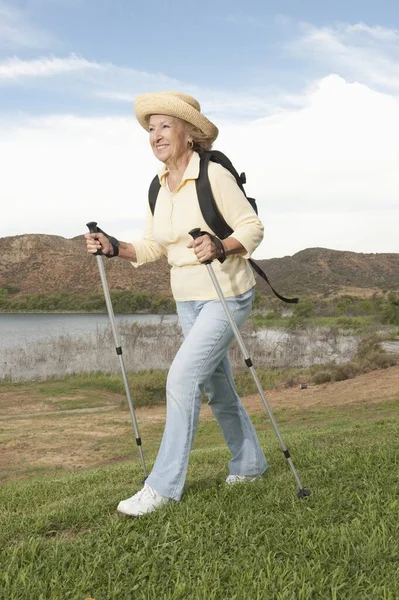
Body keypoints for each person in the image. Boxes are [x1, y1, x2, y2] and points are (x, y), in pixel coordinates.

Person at [85, 91, 267, 516]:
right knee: (216, 386)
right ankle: (251, 463)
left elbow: (253, 228)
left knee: (181, 378)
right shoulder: (158, 186)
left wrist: (220, 245)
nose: (156, 135)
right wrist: (114, 247)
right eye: (151, 128)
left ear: (189, 134)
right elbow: (153, 246)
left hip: (227, 293)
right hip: (188, 301)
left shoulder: (213, 176)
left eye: (165, 126)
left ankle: (163, 488)